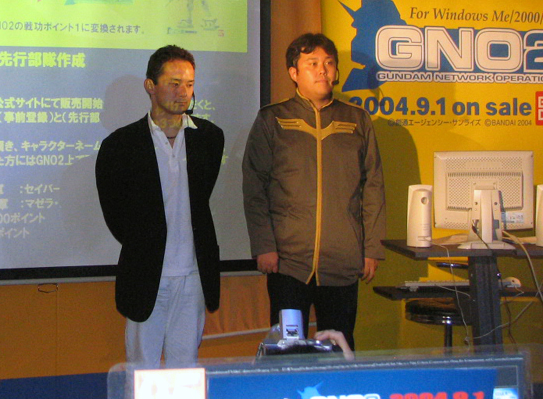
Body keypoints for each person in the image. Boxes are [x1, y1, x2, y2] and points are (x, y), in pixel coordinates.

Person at [242, 32, 386, 350]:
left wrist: (372, 248)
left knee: (339, 349)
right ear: (294, 72)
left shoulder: (357, 120)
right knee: (287, 350)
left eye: (328, 63)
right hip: (288, 263)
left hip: (342, 262)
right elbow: (254, 187)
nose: (322, 70)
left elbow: (373, 186)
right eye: (312, 63)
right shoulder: (273, 119)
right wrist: (264, 245)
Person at [95, 45, 224, 368]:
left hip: (193, 274)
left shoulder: (209, 137)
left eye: (190, 84)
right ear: (150, 86)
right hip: (146, 273)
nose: (183, 92)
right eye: (174, 83)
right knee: (142, 368)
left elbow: (202, 197)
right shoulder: (120, 146)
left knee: (186, 366)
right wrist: (145, 242)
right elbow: (115, 215)